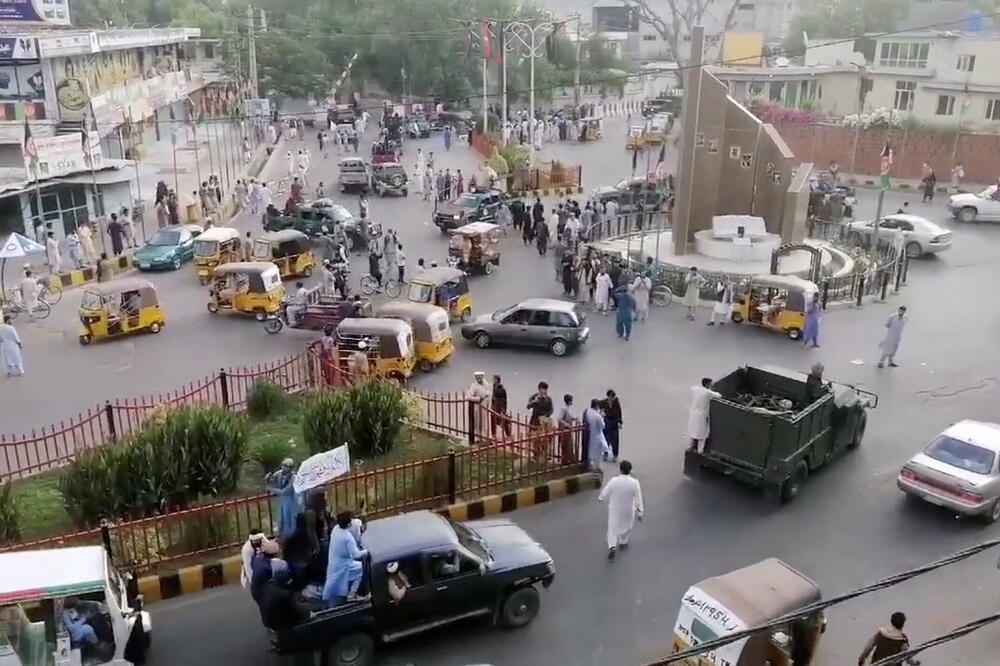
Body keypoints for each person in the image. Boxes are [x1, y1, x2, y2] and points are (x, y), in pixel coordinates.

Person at [598, 460, 644, 560]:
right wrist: (640, 512)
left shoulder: (614, 481)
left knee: (612, 528)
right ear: (630, 470)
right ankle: (623, 541)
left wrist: (601, 497)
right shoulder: (634, 483)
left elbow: (606, 491)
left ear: (620, 470)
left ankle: (612, 546)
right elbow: (638, 498)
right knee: (627, 526)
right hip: (628, 510)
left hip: (615, 508)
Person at [322, 511, 369, 605]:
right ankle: (352, 594)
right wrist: (366, 551)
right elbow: (356, 554)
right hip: (344, 564)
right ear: (348, 523)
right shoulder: (347, 537)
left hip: (334, 562)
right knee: (360, 568)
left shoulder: (336, 530)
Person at [258, 560, 311, 631]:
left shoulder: (266, 587)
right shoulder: (284, 595)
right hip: (278, 624)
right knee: (304, 615)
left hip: (266, 621)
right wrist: (307, 613)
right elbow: (294, 612)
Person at [266, 458, 300, 540]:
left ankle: (290, 537)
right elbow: (272, 481)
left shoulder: (293, 477)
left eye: (289, 466)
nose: (286, 468)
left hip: (291, 500)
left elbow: (285, 491)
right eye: (284, 465)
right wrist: (268, 478)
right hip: (281, 500)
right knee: (281, 518)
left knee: (289, 518)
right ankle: (281, 536)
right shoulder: (279, 473)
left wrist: (271, 489)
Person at [687, 378, 721, 452]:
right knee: (702, 434)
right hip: (701, 414)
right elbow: (719, 395)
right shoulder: (707, 393)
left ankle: (691, 447)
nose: (711, 385)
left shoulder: (695, 389)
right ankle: (699, 450)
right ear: (707, 384)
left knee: (693, 430)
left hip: (693, 413)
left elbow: (693, 387)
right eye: (711, 384)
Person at [583, 399, 609, 468]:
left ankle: (588, 464)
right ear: (596, 406)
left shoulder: (588, 411)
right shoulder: (597, 416)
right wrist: (602, 417)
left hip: (589, 434)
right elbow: (603, 426)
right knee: (598, 452)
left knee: (590, 450)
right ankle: (597, 467)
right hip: (597, 435)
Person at [466, 371, 492, 439]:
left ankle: (487, 437)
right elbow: (468, 397)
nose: (478, 379)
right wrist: (478, 399)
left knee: (485, 422)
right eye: (477, 378)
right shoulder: (474, 386)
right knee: (478, 422)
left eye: (480, 377)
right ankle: (479, 437)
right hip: (477, 406)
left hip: (485, 405)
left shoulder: (486, 384)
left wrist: (487, 396)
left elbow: (488, 392)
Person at [556, 394, 577, 463]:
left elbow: (570, 416)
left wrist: (574, 418)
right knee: (566, 444)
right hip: (565, 428)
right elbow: (559, 419)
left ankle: (570, 458)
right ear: (569, 401)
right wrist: (566, 424)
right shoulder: (564, 409)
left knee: (569, 444)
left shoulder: (568, 408)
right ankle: (565, 459)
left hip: (568, 428)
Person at [603, 390, 622, 462]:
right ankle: (605, 453)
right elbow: (599, 404)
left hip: (614, 423)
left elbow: (619, 412)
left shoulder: (616, 402)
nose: (610, 398)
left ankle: (615, 455)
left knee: (614, 441)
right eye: (609, 396)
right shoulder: (605, 401)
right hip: (607, 422)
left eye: (611, 396)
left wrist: (620, 422)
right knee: (606, 439)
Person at [490, 374, 510, 439]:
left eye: (494, 379)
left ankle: (508, 434)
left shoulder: (500, 388)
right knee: (493, 421)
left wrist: (503, 409)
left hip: (499, 407)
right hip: (495, 407)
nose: (492, 380)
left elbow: (503, 399)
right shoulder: (494, 386)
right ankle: (494, 434)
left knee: (502, 421)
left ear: (496, 380)